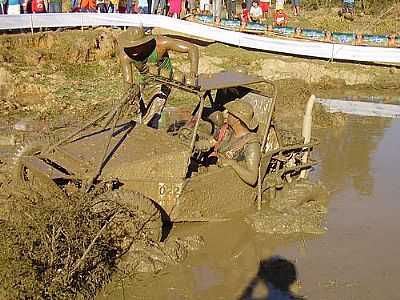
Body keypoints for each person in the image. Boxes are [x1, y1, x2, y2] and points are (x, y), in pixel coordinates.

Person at [116, 27, 199, 125]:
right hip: (145, 81)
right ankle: (146, 130)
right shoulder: (126, 55)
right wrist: (130, 96)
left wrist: (193, 72)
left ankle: (150, 133)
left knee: (154, 111)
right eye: (130, 47)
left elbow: (192, 48)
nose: (133, 50)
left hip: (164, 80)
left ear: (144, 42)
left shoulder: (160, 43)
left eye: (137, 46)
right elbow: (128, 81)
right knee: (143, 111)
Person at [196, 101, 261, 186]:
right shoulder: (225, 130)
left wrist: (232, 163)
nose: (226, 115)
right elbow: (212, 142)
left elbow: (252, 178)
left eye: (229, 113)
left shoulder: (251, 143)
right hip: (212, 172)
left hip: (227, 184)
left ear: (237, 119)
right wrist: (198, 144)